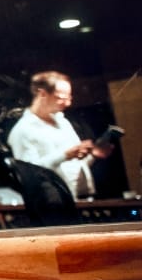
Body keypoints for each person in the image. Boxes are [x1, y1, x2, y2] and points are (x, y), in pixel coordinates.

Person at [7, 70, 113, 199]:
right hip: (55, 202)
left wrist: (92, 155)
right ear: (42, 94)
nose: (68, 103)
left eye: (69, 98)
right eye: (61, 98)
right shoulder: (23, 130)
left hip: (82, 197)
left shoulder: (63, 122)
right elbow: (30, 174)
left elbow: (73, 166)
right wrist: (65, 155)